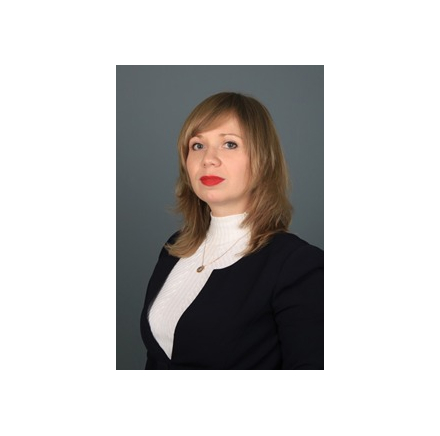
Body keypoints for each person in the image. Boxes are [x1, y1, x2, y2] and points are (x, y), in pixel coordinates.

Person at [140, 92, 324, 369]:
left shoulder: (299, 266)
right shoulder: (175, 248)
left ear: (263, 160)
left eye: (229, 144)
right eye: (198, 145)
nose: (208, 159)